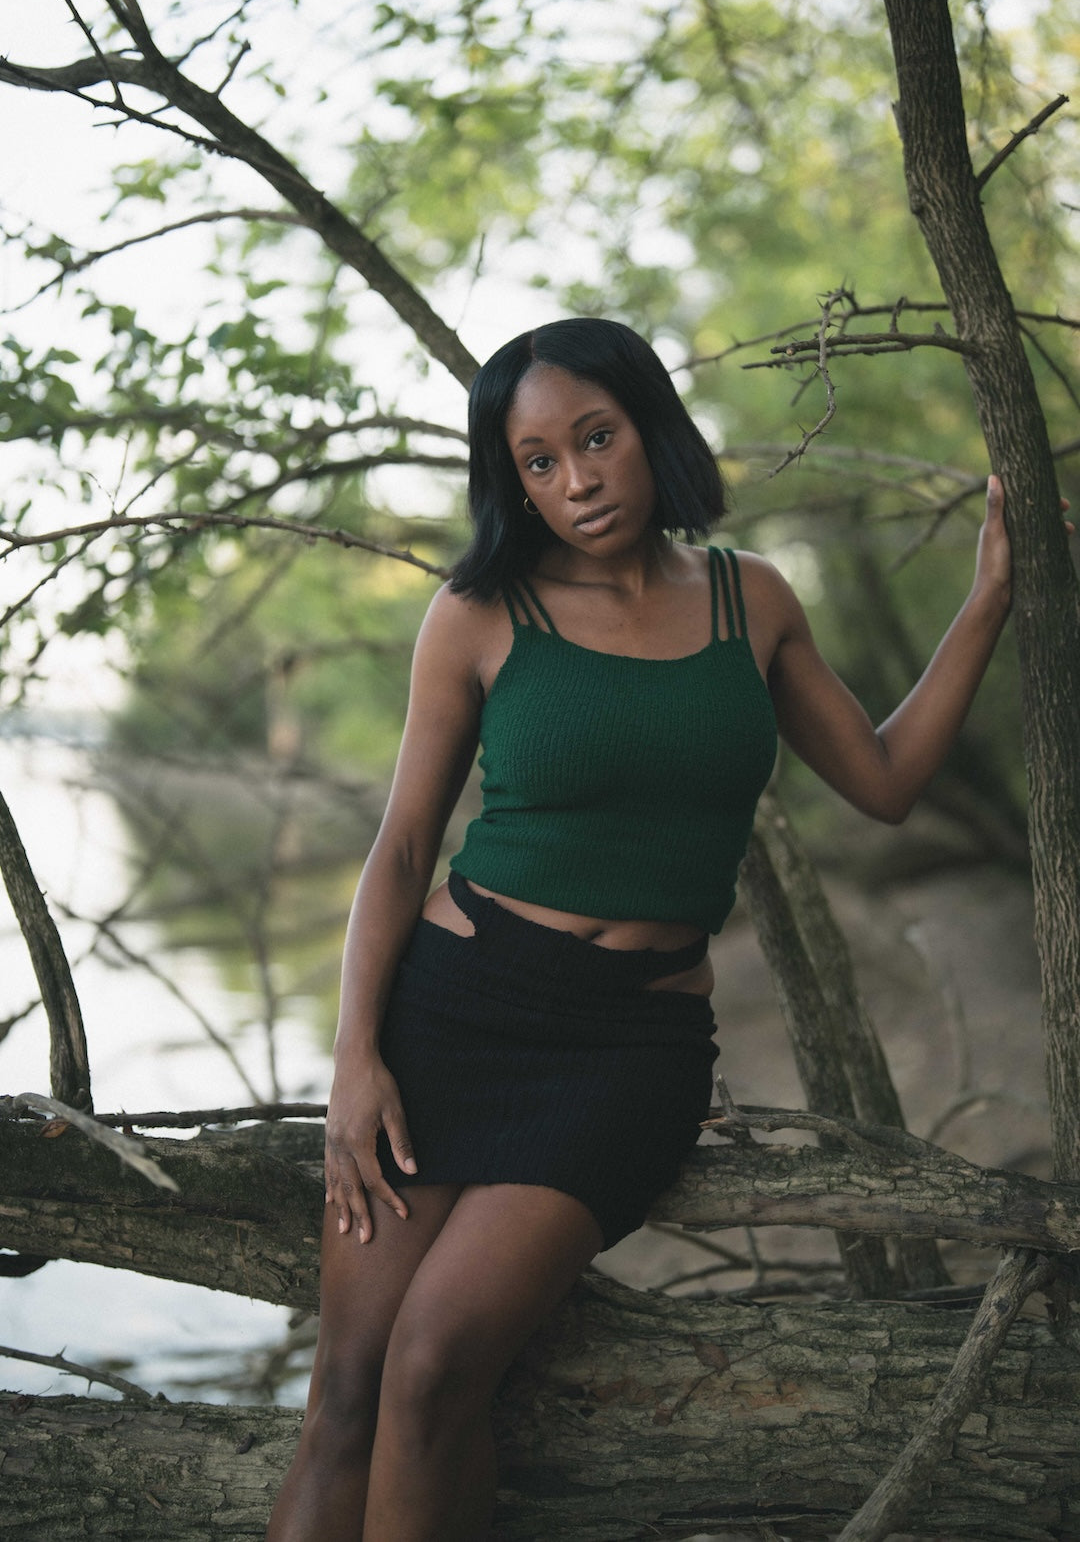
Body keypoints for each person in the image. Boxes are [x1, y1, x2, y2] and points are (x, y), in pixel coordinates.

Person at [266, 315, 1015, 1542]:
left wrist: (989, 597)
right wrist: (355, 1058)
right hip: (452, 1011)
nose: (577, 480)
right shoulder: (479, 612)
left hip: (627, 1052)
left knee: (438, 1363)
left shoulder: (750, 600)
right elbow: (403, 849)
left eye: (596, 438)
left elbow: (883, 784)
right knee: (347, 1393)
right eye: (538, 462)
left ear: (649, 427)